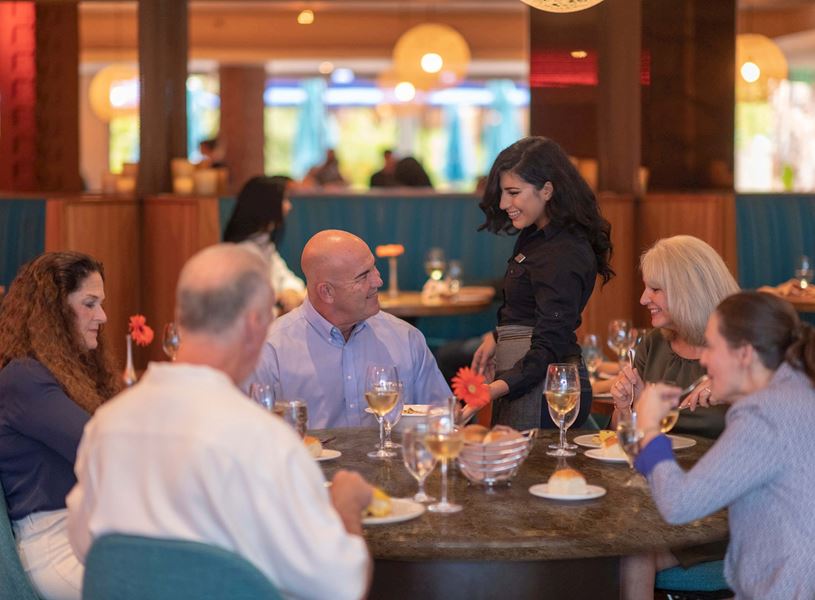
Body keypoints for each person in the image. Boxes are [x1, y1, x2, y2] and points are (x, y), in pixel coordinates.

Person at [66, 244, 373, 600]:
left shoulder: (108, 425)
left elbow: (88, 546)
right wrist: (346, 507)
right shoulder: (264, 441)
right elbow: (340, 585)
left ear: (182, 317)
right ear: (255, 324)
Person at [634, 291, 815, 598]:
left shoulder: (764, 415)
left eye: (711, 346)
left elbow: (678, 505)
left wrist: (649, 428)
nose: (704, 359)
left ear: (744, 354)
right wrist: (737, 392)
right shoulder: (798, 388)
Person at [470, 136, 614, 430]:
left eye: (513, 192)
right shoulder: (535, 236)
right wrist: (497, 338)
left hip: (547, 385)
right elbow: (530, 310)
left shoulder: (565, 250)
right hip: (524, 376)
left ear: (547, 190)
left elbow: (551, 343)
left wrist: (491, 390)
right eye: (502, 193)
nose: (503, 204)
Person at [0, 251, 121, 600]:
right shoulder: (24, 379)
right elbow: (102, 448)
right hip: (55, 548)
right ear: (53, 311)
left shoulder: (66, 373)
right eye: (90, 304)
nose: (103, 316)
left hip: (87, 534)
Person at [247, 229, 451, 429]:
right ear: (327, 292)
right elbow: (250, 435)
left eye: (374, 268)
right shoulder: (269, 350)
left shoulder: (405, 338)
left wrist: (453, 417)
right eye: (363, 276)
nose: (378, 281)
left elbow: (442, 419)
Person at [611, 235, 740, 438]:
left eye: (655, 289)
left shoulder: (742, 346)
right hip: (658, 457)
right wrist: (625, 408)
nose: (643, 299)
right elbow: (625, 440)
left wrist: (734, 393)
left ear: (689, 291)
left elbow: (779, 421)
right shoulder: (653, 343)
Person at [223, 175, 306, 313]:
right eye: (284, 200)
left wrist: (290, 291)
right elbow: (255, 303)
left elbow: (287, 278)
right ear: (267, 204)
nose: (289, 206)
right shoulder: (242, 253)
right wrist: (281, 298)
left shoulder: (265, 245)